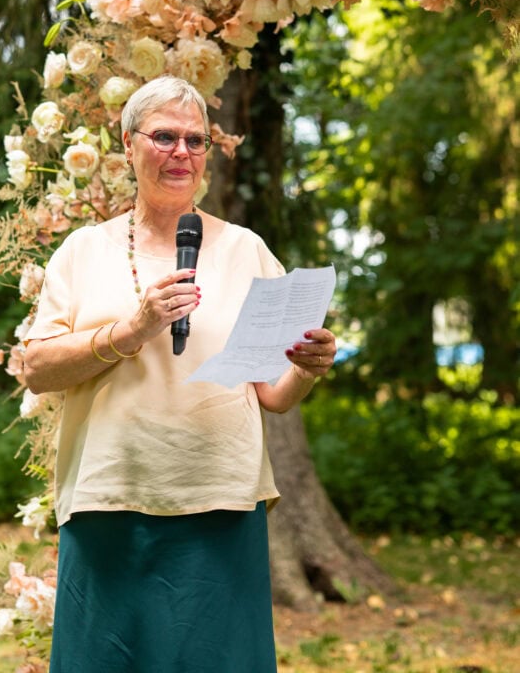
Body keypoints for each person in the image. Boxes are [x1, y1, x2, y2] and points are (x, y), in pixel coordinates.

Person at [24, 74, 336, 673]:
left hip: (219, 502)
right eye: (164, 137)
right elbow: (37, 367)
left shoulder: (246, 250)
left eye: (196, 141)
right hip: (109, 501)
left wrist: (307, 368)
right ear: (127, 145)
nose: (181, 154)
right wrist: (130, 330)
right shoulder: (82, 251)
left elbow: (274, 394)